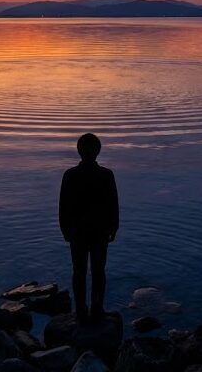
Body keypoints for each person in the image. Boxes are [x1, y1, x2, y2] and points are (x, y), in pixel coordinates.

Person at [59, 133, 119, 324]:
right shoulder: (106, 175)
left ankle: (81, 311)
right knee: (99, 271)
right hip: (100, 231)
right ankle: (97, 308)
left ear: (78, 151)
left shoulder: (70, 175)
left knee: (79, 271)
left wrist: (65, 230)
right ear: (98, 151)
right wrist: (114, 227)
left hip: (77, 231)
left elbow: (63, 207)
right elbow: (113, 205)